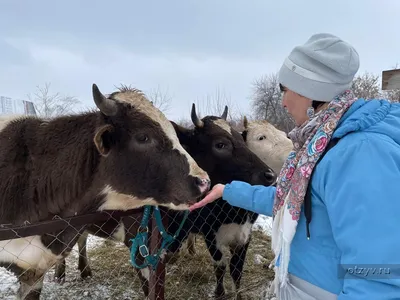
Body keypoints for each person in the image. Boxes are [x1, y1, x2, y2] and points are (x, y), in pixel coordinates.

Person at [189, 33, 400, 300]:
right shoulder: (322, 141)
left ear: (312, 91)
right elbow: (295, 201)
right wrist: (228, 191)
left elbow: (379, 275)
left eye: (285, 90)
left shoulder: (362, 153)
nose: (283, 102)